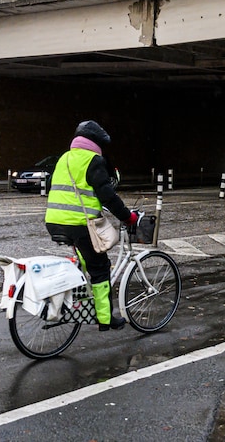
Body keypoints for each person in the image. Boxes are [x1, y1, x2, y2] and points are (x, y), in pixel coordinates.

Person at [44, 120, 138, 331]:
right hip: (79, 224)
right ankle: (105, 319)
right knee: (100, 268)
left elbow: (55, 187)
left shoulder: (64, 158)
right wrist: (127, 217)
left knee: (86, 259)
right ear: (96, 143)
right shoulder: (93, 161)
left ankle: (81, 301)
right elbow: (108, 196)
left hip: (54, 221)